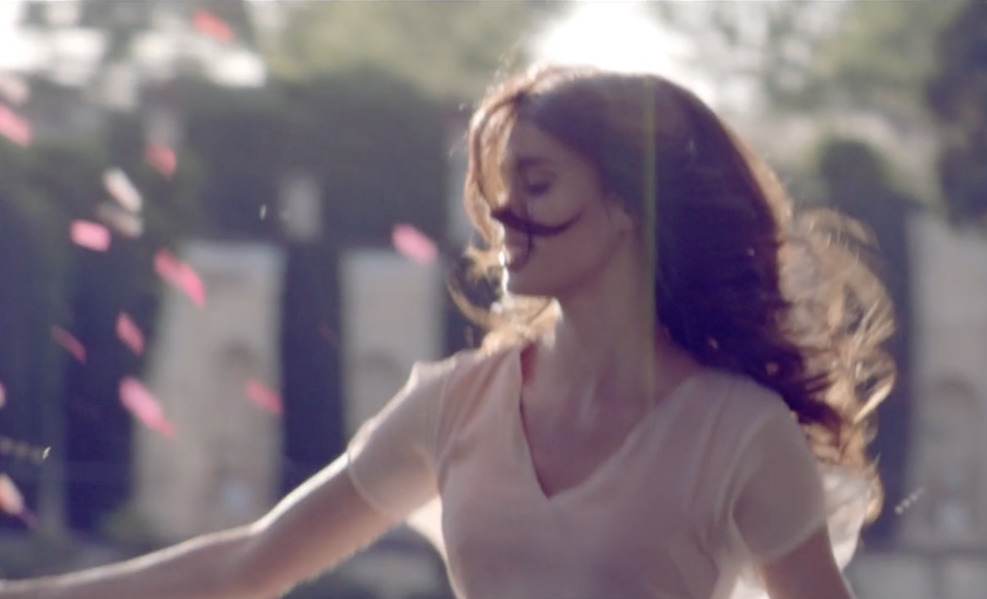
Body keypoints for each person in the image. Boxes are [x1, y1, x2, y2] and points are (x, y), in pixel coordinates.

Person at [0, 63, 896, 599]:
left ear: (626, 205)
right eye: (503, 186)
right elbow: (252, 562)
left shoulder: (738, 434)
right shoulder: (455, 404)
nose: (503, 212)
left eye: (538, 183)